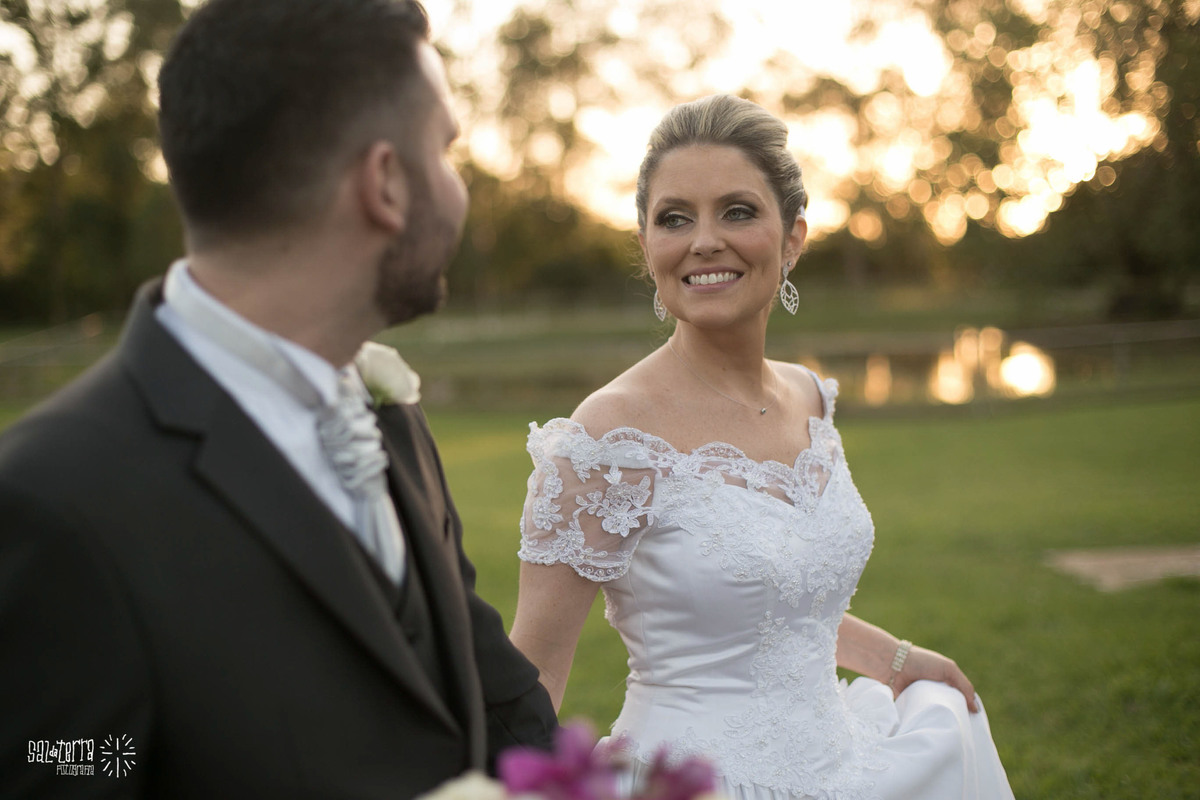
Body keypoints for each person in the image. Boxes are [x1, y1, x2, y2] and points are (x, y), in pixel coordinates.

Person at [0, 1, 556, 797]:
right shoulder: (50, 498)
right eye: (447, 150)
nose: (460, 190)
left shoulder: (389, 417)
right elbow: (63, 761)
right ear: (386, 182)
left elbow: (484, 690)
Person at [510, 94, 1015, 800]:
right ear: (647, 244)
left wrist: (895, 660)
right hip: (693, 783)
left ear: (793, 238)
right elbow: (533, 673)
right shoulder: (607, 437)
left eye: (738, 211)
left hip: (843, 764)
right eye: (674, 218)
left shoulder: (810, 395)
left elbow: (783, 603)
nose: (704, 240)